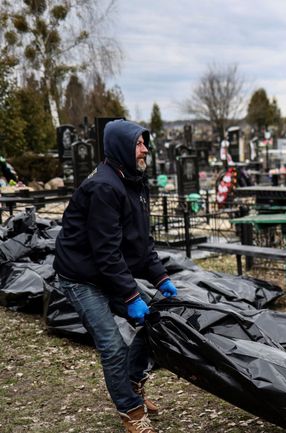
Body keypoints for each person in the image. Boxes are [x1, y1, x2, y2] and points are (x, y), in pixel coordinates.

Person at [54, 119, 178, 433]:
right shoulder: (103, 187)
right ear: (122, 146)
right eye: (139, 143)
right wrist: (132, 296)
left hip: (107, 270)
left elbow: (141, 241)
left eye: (144, 142)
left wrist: (161, 278)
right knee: (112, 345)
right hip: (81, 276)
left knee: (156, 323)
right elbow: (106, 252)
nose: (145, 149)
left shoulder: (135, 182)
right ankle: (132, 414)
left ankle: (132, 383)